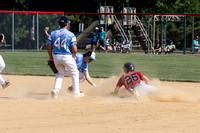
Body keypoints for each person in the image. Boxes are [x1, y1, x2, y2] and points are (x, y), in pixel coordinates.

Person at [47, 16, 83, 99]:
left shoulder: (53, 33)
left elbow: (48, 46)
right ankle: (76, 93)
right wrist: (74, 56)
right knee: (75, 73)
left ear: (59, 24)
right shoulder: (70, 34)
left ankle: (55, 90)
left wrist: (50, 57)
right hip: (66, 56)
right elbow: (74, 48)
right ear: (67, 24)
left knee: (60, 73)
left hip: (56, 56)